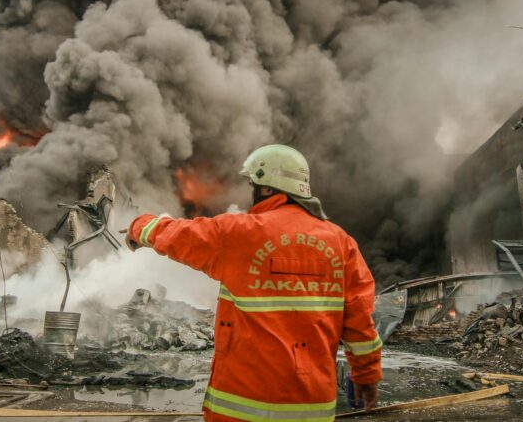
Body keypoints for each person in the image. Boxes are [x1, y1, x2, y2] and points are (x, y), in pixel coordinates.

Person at [126, 145, 382, 421]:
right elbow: (360, 323)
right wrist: (366, 376)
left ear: (268, 188)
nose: (252, 192)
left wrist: (139, 226)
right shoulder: (341, 243)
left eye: (254, 185)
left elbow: (179, 235)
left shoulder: (239, 233)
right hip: (311, 408)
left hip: (240, 408)